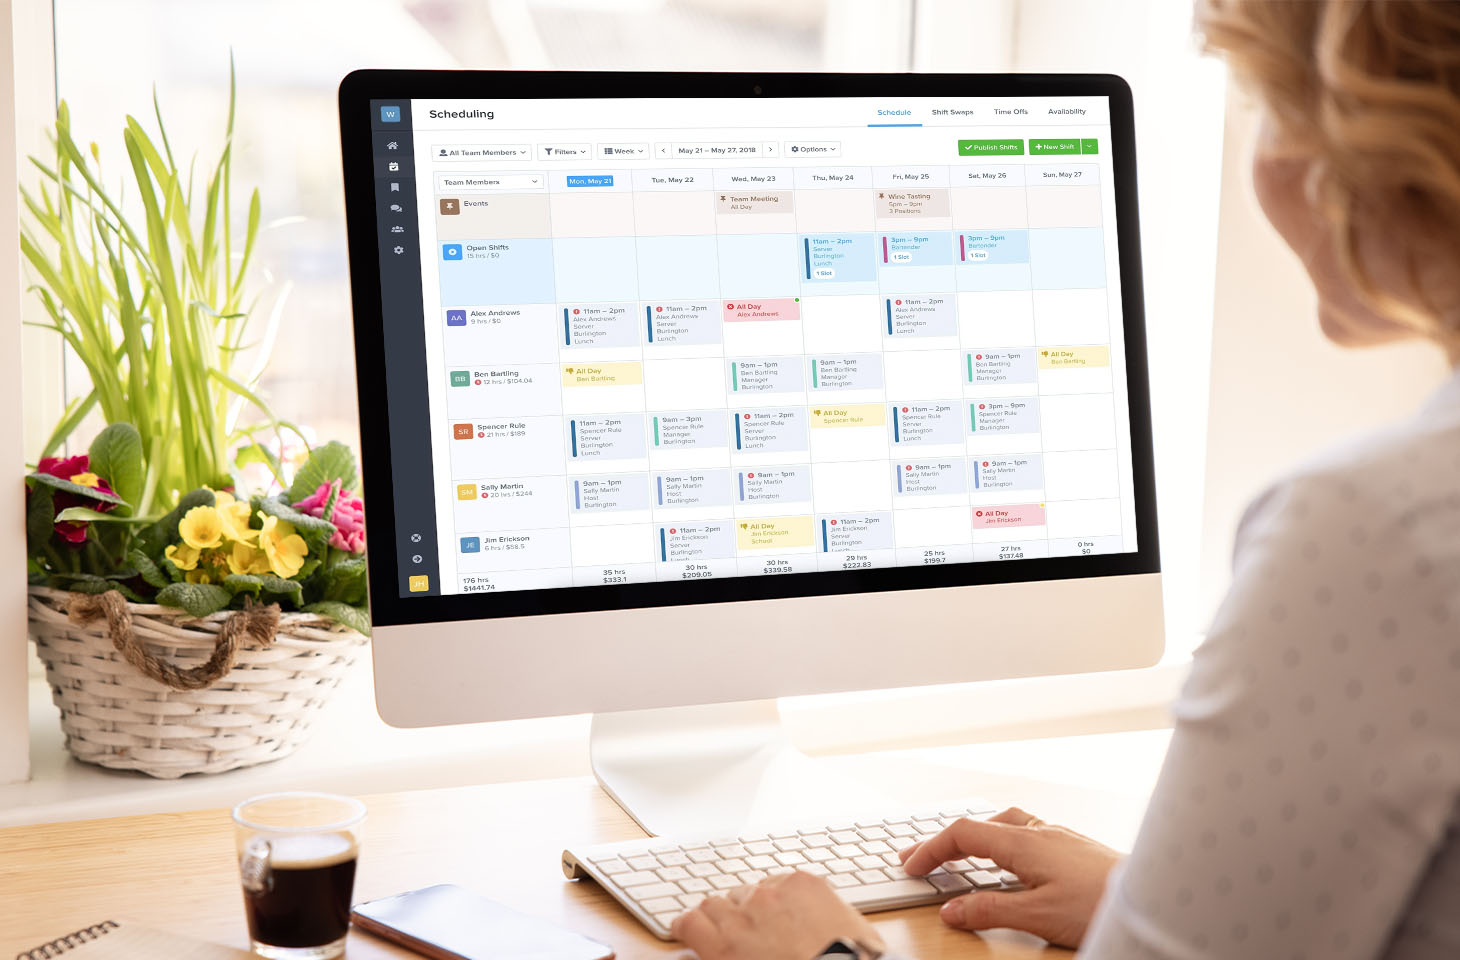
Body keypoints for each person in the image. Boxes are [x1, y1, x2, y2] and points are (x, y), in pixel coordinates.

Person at [672, 1, 1460, 957]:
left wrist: (828, 956)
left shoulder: (1373, 535)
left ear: (1370, 144)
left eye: (1275, 111)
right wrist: (1151, 904)